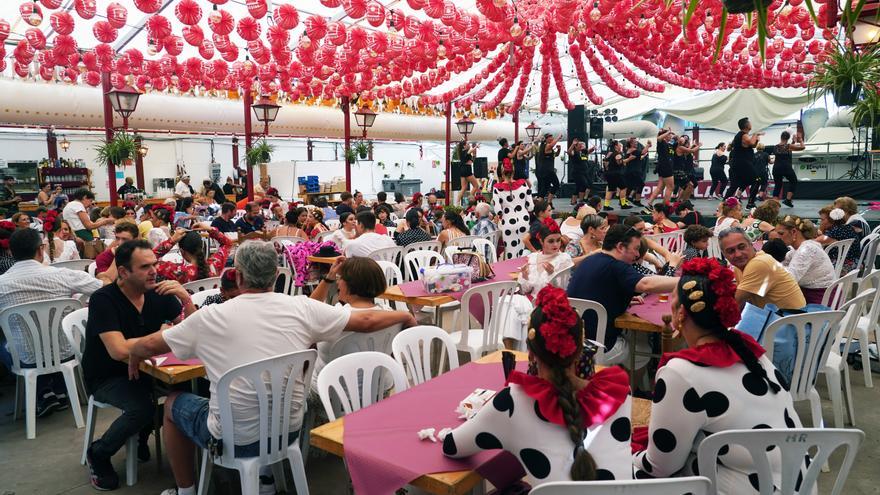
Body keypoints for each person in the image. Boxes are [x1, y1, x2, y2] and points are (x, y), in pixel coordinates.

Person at [125, 240, 416, 495]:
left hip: (232, 438)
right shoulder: (301, 307)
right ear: (277, 276)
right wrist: (404, 315)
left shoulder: (211, 317)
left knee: (173, 403)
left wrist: (134, 353)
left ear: (237, 276)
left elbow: (151, 344)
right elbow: (363, 320)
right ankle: (265, 477)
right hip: (287, 430)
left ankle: (185, 490)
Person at [632, 258, 806, 493]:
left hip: (754, 486)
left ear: (681, 313)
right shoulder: (749, 351)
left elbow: (660, 467)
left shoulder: (681, 373)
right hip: (796, 482)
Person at [443, 286, 633, 484]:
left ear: (530, 354)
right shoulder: (618, 395)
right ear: (580, 352)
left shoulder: (513, 403)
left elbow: (452, 446)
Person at [81, 240, 197, 490]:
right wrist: (164, 336)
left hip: (152, 371)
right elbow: (118, 350)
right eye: (145, 266)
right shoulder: (104, 299)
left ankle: (142, 433)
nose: (154, 270)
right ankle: (99, 453)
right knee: (142, 407)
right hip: (107, 376)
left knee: (195, 393)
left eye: (154, 264)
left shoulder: (158, 291)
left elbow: (195, 331)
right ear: (123, 272)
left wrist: (186, 300)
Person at [0, 229, 108, 418]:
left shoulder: (2, 283)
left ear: (11, 252)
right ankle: (58, 388)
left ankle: (44, 392)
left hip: (26, 357)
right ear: (40, 250)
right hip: (66, 351)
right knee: (51, 339)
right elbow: (102, 290)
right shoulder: (63, 275)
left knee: (6, 345)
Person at [567, 224, 678, 368]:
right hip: (599, 347)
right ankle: (629, 388)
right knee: (642, 349)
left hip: (573, 341)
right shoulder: (617, 266)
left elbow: (597, 292)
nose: (638, 255)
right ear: (620, 247)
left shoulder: (589, 260)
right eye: (636, 249)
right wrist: (685, 281)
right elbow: (646, 284)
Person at [502, 219, 574, 349]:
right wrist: (524, 276)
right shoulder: (533, 257)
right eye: (551, 241)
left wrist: (552, 274)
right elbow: (525, 289)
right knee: (506, 301)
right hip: (532, 301)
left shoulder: (564, 259)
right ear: (541, 241)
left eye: (558, 240)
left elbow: (562, 291)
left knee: (509, 303)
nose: (556, 244)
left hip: (550, 305)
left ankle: (509, 350)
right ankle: (510, 349)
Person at [718, 227, 805, 310]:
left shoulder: (760, 263)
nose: (738, 254)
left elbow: (734, 303)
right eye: (730, 251)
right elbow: (741, 304)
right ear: (724, 254)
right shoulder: (739, 267)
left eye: (741, 247)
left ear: (751, 245)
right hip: (774, 319)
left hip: (791, 321)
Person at [774, 215, 835, 304]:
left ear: (793, 232)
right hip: (815, 294)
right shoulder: (799, 249)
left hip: (821, 300)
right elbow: (782, 264)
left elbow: (790, 279)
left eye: (781, 233)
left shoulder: (806, 249)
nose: (777, 238)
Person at [154, 228, 232, 284]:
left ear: (182, 251)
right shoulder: (214, 265)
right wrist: (210, 229)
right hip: (213, 306)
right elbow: (228, 243)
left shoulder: (178, 272)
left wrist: (171, 241)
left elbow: (149, 260)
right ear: (202, 247)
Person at [493, 158, 534, 259]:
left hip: (508, 222)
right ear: (513, 172)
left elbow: (498, 210)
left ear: (502, 172)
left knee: (511, 254)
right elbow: (531, 207)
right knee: (523, 251)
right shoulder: (523, 183)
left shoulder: (497, 188)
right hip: (523, 221)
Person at [724, 117, 764, 209]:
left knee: (737, 184)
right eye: (749, 122)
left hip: (740, 163)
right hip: (742, 163)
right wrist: (755, 134)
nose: (751, 124)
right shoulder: (743, 134)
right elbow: (751, 142)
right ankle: (750, 203)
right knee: (757, 180)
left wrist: (757, 138)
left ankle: (724, 204)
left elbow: (753, 145)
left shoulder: (742, 135)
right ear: (746, 125)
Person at [816, 206, 861, 275]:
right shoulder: (847, 227)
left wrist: (821, 229)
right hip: (855, 263)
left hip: (844, 266)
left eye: (822, 220)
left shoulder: (834, 231)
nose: (821, 222)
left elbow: (813, 242)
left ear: (831, 220)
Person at [644, 128, 675, 209]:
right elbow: (658, 138)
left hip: (662, 166)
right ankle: (665, 206)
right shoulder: (661, 142)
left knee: (660, 187)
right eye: (669, 135)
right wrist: (667, 131)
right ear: (664, 136)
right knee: (670, 187)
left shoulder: (666, 144)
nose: (670, 136)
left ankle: (649, 204)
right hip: (666, 167)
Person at [772, 131, 804, 207]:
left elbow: (785, 149)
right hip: (786, 167)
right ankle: (788, 200)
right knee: (793, 181)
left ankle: (773, 205)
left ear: (781, 137)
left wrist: (793, 141)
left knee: (778, 185)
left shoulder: (775, 147)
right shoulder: (789, 146)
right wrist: (800, 140)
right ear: (788, 138)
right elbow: (802, 147)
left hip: (776, 168)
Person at [603, 140, 633, 211]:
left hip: (609, 173)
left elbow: (605, 162)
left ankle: (606, 205)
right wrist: (629, 159)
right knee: (623, 188)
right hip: (616, 174)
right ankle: (623, 204)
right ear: (616, 146)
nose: (621, 146)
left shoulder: (609, 153)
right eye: (620, 145)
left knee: (610, 190)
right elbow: (620, 163)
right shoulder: (617, 154)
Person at [673, 135, 701, 202]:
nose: (684, 141)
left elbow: (688, 151)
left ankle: (683, 201)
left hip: (679, 170)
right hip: (678, 171)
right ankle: (683, 201)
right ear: (679, 141)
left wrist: (693, 145)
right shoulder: (680, 147)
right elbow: (692, 150)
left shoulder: (680, 148)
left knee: (688, 186)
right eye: (682, 140)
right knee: (690, 185)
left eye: (684, 140)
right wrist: (699, 145)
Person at [536, 133, 563, 201]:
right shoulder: (546, 146)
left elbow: (555, 155)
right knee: (556, 185)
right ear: (546, 139)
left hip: (546, 170)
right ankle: (549, 201)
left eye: (552, 137)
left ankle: (539, 202)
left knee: (545, 187)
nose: (552, 138)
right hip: (547, 170)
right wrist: (558, 137)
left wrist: (559, 150)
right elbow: (551, 145)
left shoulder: (548, 147)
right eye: (550, 137)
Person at [625, 137, 651, 208]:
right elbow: (643, 152)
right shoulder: (633, 150)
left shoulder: (629, 150)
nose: (636, 143)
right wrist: (648, 145)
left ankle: (625, 200)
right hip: (634, 171)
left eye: (636, 142)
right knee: (641, 184)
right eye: (635, 142)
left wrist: (644, 154)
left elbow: (639, 157)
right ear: (631, 143)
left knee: (631, 186)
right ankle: (637, 200)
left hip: (631, 171)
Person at [568, 138, 595, 205]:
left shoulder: (583, 152)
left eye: (583, 145)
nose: (583, 146)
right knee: (584, 185)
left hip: (584, 172)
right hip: (577, 172)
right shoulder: (575, 152)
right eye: (581, 145)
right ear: (577, 146)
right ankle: (579, 200)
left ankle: (578, 201)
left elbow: (589, 151)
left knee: (580, 186)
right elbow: (569, 152)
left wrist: (593, 148)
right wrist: (572, 144)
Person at [456, 140, 481, 206]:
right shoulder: (465, 151)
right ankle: (469, 200)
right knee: (476, 186)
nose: (469, 144)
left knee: (464, 188)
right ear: (464, 146)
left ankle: (457, 202)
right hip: (467, 170)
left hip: (462, 170)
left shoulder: (462, 152)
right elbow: (470, 151)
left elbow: (472, 160)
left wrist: (475, 153)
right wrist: (476, 147)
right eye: (467, 143)